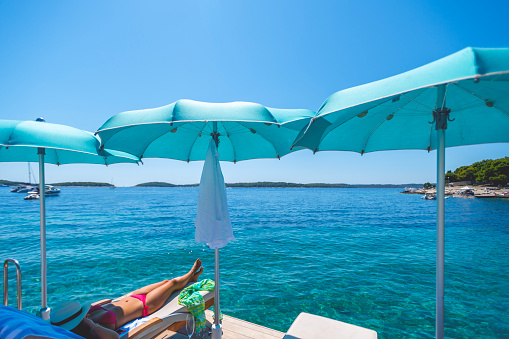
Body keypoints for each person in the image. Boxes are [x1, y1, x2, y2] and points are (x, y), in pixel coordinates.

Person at [51, 259, 204, 339]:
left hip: (132, 295)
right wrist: (90, 324)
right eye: (81, 315)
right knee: (171, 284)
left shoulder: (87, 316)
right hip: (146, 305)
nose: (84, 313)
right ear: (78, 322)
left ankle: (191, 279)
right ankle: (190, 275)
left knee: (165, 282)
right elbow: (114, 337)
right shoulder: (92, 330)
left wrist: (85, 317)